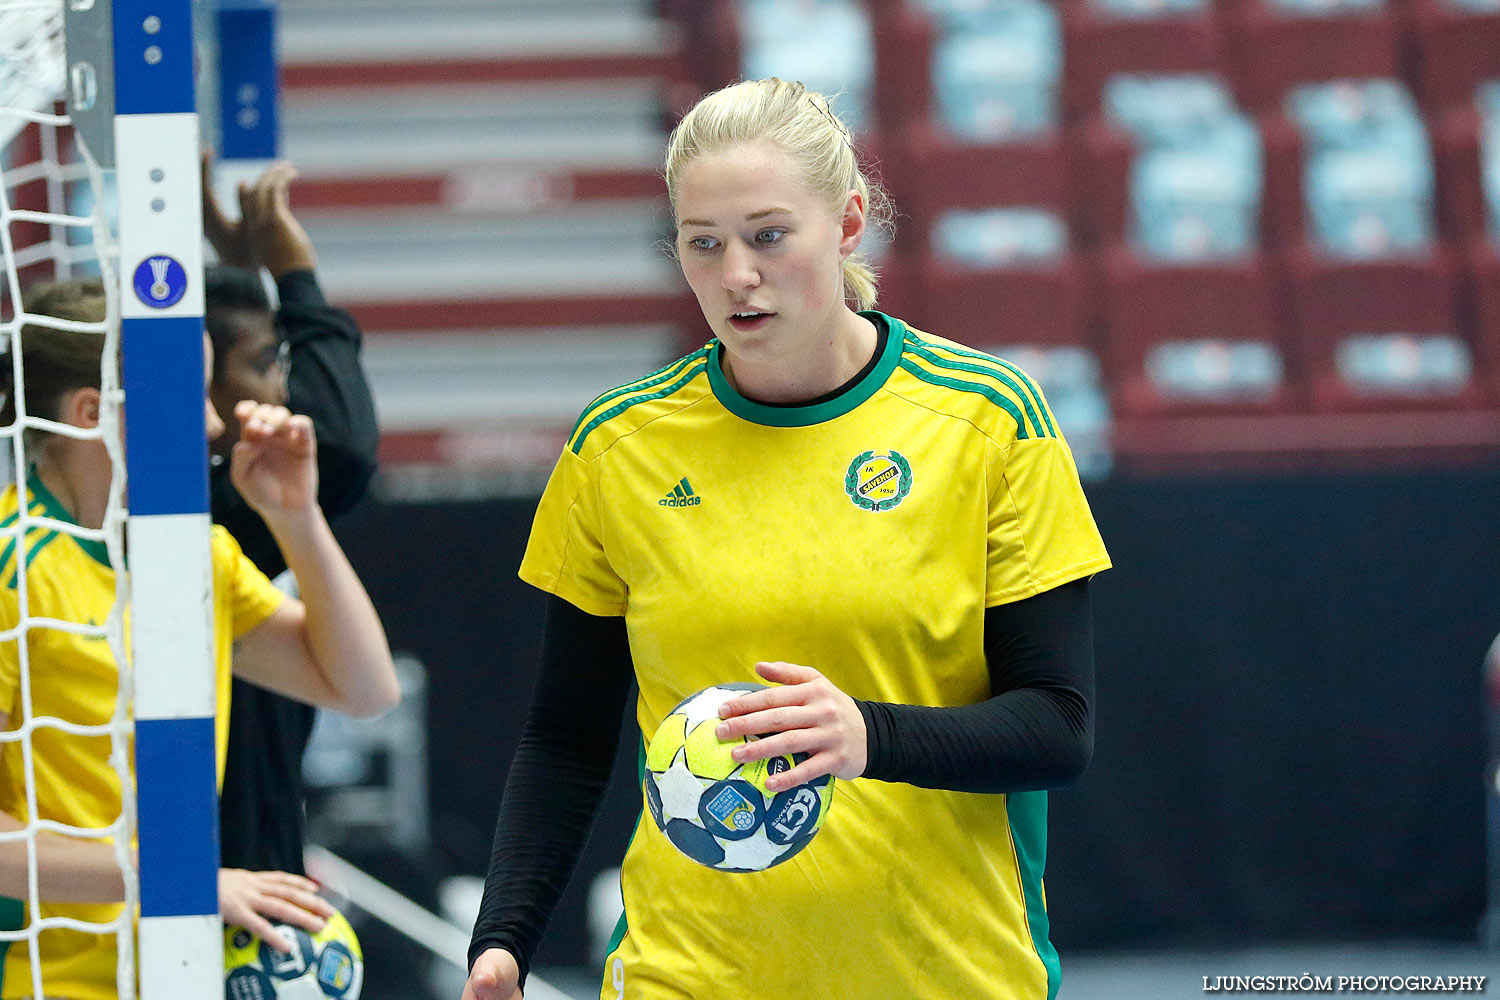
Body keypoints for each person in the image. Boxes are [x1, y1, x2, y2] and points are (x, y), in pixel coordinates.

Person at [463, 77, 1111, 1000]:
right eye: (704, 243)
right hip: (685, 975)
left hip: (948, 973)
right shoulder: (619, 446)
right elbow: (566, 735)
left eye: (768, 235)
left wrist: (865, 734)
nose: (736, 276)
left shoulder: (987, 420)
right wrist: (505, 939)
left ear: (848, 225)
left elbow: (1058, 725)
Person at [0, 279, 399, 1000]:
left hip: (176, 972)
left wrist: (297, 518)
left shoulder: (190, 556)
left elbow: (365, 688)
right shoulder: (12, 571)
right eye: (190, 393)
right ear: (96, 413)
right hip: (42, 981)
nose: (216, 424)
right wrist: (179, 879)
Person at [200, 155, 381, 877]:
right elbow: (343, 445)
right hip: (207, 884)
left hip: (252, 866)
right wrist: (295, 272)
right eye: (263, 362)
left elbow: (371, 694)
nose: (283, 386)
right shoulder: (205, 515)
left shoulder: (237, 507)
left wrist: (245, 270)